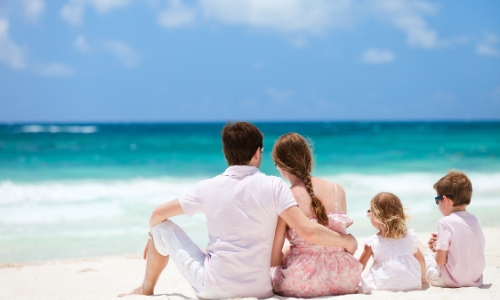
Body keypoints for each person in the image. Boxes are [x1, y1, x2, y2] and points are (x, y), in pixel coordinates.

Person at [119, 122, 357, 299]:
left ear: (225, 154)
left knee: (161, 228)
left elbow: (157, 214)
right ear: (257, 153)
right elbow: (307, 229)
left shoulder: (207, 187)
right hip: (260, 289)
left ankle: (146, 289)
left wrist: (153, 236)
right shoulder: (275, 186)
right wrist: (345, 240)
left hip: (215, 288)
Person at [270, 133, 362, 297]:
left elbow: (274, 259)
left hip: (303, 280)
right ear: (308, 159)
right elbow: (341, 244)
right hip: (344, 277)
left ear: (280, 165)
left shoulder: (285, 197)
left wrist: (289, 252)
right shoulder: (337, 189)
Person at [419, 170, 485, 288]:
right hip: (474, 279)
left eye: (437, 201)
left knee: (419, 247)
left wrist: (436, 248)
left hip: (448, 279)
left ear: (445, 200)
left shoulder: (445, 222)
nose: (438, 204)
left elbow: (440, 261)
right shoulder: (475, 220)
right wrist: (441, 243)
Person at [358, 192, 426, 292]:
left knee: (367, 279)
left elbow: (359, 267)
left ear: (377, 216)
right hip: (412, 283)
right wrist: (423, 279)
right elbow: (421, 259)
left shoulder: (372, 242)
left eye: (371, 212)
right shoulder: (409, 237)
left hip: (384, 284)